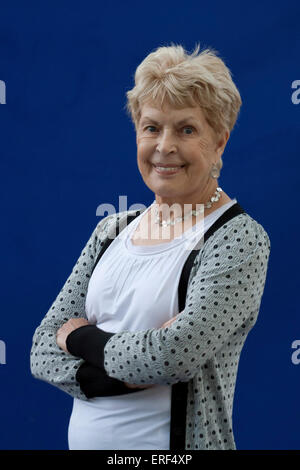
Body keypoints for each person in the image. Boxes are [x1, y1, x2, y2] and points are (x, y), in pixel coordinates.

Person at [30, 42, 271, 450]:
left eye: (187, 129)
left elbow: (172, 356)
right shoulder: (111, 230)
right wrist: (125, 370)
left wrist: (81, 340)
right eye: (152, 127)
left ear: (220, 143)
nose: (164, 146)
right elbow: (40, 349)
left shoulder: (237, 237)